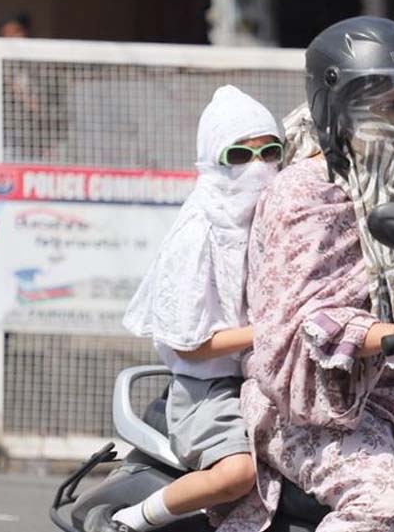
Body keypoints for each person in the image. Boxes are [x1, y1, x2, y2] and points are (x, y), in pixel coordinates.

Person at [219, 17, 394, 532]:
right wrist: (387, 332)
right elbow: (298, 323)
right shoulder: (303, 193)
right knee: (386, 503)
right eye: (390, 106)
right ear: (340, 110)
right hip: (307, 408)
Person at [85, 86, 285, 532]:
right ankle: (126, 522)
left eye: (270, 152)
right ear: (213, 161)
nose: (258, 167)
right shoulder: (198, 230)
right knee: (238, 473)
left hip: (272, 383)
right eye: (240, 155)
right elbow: (190, 345)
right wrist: (275, 330)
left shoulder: (281, 220)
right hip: (209, 390)